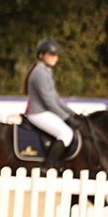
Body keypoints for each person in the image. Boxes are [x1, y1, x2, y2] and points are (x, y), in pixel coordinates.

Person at [24, 39, 81, 169]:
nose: (55, 58)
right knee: (66, 133)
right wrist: (66, 118)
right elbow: (48, 102)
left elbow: (56, 99)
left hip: (45, 111)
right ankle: (48, 167)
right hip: (38, 113)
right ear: (41, 55)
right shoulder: (39, 73)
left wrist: (72, 114)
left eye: (56, 55)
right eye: (51, 54)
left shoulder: (46, 71)